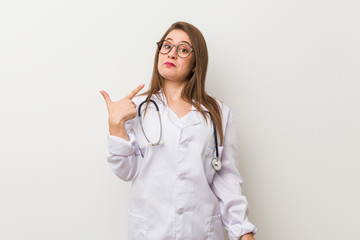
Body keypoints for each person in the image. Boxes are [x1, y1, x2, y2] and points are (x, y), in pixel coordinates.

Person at [100, 21, 257, 240]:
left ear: (196, 63)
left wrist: (243, 231)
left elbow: (226, 180)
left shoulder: (218, 114)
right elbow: (127, 171)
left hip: (201, 232)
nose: (171, 54)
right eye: (167, 46)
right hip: (151, 232)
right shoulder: (136, 109)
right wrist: (116, 126)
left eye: (183, 50)